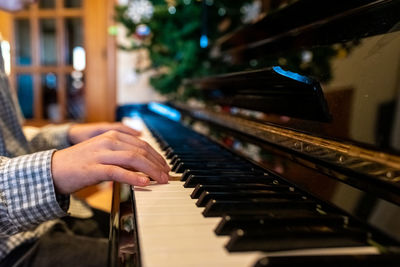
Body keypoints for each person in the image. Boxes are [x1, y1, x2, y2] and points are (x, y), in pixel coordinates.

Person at [0, 1, 170, 266]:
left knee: (159, 235)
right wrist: (52, 169)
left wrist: (69, 135)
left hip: (44, 221)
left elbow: (9, 141)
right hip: (12, 247)